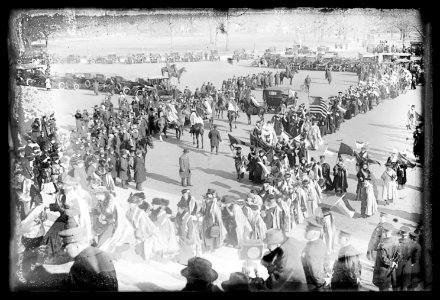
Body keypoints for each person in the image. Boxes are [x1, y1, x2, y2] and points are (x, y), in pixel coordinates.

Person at [59, 216, 118, 291]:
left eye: (66, 247)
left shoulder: (79, 265)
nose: (64, 251)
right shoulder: (102, 254)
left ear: (76, 246)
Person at [301, 219, 331, 291]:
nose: (304, 232)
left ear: (314, 233)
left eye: (307, 230)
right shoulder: (320, 243)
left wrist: (322, 284)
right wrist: (327, 274)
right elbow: (326, 261)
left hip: (312, 284)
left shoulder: (311, 250)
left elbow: (316, 274)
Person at [372, 222, 400, 291]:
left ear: (384, 231)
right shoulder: (396, 241)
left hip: (382, 271)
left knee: (383, 288)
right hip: (390, 270)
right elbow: (399, 253)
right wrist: (394, 262)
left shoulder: (382, 244)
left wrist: (390, 263)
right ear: (391, 231)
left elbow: (383, 259)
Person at [175, 199, 200, 264]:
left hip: (186, 235)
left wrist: (189, 236)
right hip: (181, 235)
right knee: (181, 248)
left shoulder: (187, 216)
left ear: (182, 209)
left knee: (187, 248)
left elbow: (191, 227)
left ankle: (189, 261)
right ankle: (182, 260)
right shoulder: (179, 214)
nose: (178, 210)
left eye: (179, 208)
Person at [394, 226, 418, 291]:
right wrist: (412, 263)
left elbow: (394, 254)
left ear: (401, 233)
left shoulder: (397, 242)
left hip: (398, 264)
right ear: (407, 234)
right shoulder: (413, 243)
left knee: (397, 284)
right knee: (404, 284)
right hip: (408, 264)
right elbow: (415, 256)